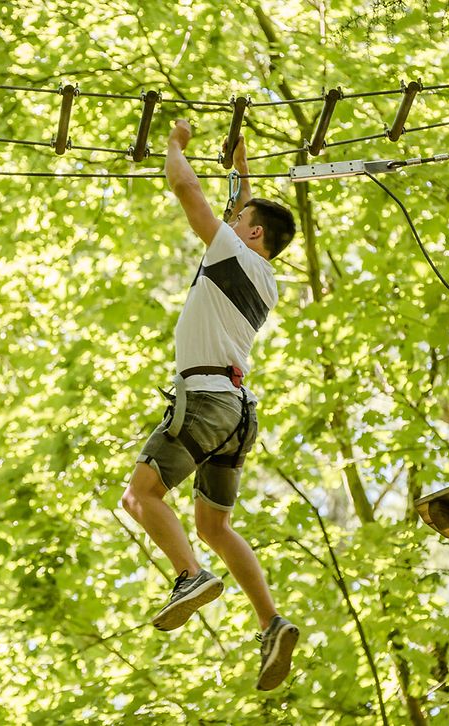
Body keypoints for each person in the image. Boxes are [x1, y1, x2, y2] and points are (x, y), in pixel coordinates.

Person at [120, 119, 298, 691]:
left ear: (249, 237)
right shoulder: (260, 273)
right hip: (238, 415)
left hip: (207, 403)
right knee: (214, 524)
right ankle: (270, 623)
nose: (228, 220)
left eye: (237, 221)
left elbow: (187, 192)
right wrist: (242, 168)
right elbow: (241, 209)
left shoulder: (229, 254)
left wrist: (175, 146)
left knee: (140, 496)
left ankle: (189, 576)